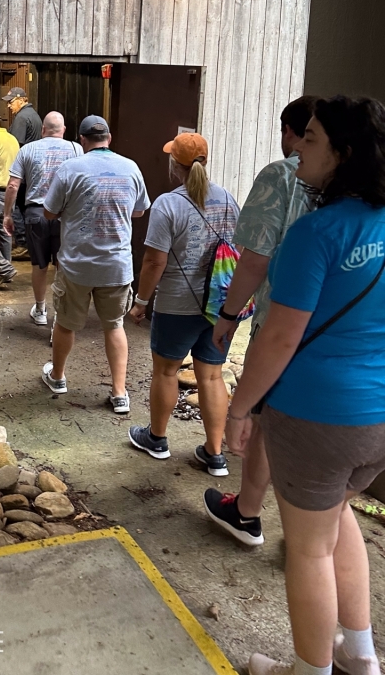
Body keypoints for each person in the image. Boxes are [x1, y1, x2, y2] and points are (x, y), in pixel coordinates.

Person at [226, 97, 385, 675]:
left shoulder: (316, 233)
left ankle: (309, 669)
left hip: (318, 416)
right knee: (339, 518)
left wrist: (240, 409)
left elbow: (277, 340)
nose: (298, 150)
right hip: (377, 418)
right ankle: (359, 654)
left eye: (311, 139)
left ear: (343, 155)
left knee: (309, 548)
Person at [203, 95, 317, 545]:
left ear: (291, 133)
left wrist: (230, 313)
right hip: (342, 334)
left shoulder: (282, 175)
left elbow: (254, 259)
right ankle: (314, 526)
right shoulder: (360, 191)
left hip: (281, 320)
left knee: (265, 418)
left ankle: (248, 512)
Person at [126, 133, 239, 477]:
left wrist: (141, 302)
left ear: (175, 165)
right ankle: (214, 454)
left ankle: (157, 438)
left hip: (177, 304)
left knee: (166, 371)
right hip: (218, 305)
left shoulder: (167, 205)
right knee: (212, 375)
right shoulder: (229, 200)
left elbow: (153, 263)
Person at [41, 116, 150, 414]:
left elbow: (49, 212)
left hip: (77, 265)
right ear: (109, 138)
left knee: (65, 323)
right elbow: (140, 211)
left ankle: (58, 377)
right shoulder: (131, 168)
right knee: (114, 326)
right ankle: (119, 393)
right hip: (116, 265)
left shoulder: (70, 168)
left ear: (82, 141)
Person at [3, 112, 82, 326]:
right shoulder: (77, 149)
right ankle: (60, 314)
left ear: (42, 130)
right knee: (62, 266)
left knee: (39, 266)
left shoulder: (27, 149)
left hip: (36, 214)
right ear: (63, 130)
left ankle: (40, 310)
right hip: (64, 216)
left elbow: (12, 185)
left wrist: (8, 215)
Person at [1, 86, 42, 251]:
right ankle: (29, 241)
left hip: (22, 170)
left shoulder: (22, 118)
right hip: (32, 169)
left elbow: (15, 144)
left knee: (15, 204)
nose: (9, 106)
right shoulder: (34, 115)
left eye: (11, 102)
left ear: (21, 100)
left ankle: (22, 242)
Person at [0, 125, 19, 288]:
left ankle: (4, 268)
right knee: (5, 231)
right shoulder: (13, 139)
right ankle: (6, 272)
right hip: (10, 190)